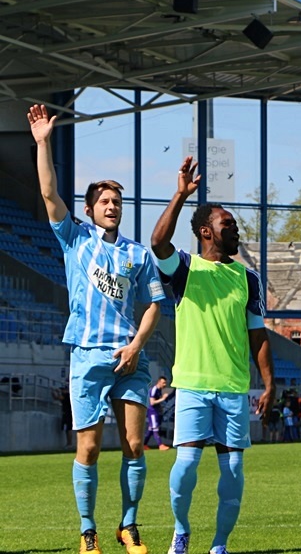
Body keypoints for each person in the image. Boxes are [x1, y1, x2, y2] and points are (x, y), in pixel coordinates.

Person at [28, 104, 164, 554]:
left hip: (131, 360)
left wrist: (136, 346)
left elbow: (154, 306)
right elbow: (49, 195)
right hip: (86, 356)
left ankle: (129, 526)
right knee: (87, 450)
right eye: (105, 202)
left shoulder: (138, 255)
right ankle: (88, 531)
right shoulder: (75, 239)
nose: (112, 207)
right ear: (89, 209)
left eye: (118, 202)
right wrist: (43, 142)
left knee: (133, 445)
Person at [150, 155, 274, 554]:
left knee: (234, 470)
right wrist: (181, 194)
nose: (235, 229)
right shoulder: (184, 269)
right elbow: (157, 242)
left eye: (235, 225)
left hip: (234, 388)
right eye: (228, 224)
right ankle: (181, 530)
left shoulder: (247, 277)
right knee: (185, 467)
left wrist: (268, 383)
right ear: (206, 231)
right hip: (193, 386)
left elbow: (258, 335)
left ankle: (219, 546)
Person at [144, 376, 171, 450]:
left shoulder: (159, 390)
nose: (165, 384)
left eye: (165, 383)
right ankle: (160, 445)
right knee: (155, 428)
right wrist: (163, 398)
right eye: (163, 383)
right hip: (152, 412)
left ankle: (144, 445)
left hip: (156, 411)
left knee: (150, 429)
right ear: (159, 382)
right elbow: (152, 402)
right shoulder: (154, 390)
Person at [52, 380, 74, 449]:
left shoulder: (67, 395)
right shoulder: (68, 395)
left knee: (68, 428)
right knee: (67, 429)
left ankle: (69, 444)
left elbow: (58, 397)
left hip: (68, 413)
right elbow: (57, 398)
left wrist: (55, 391)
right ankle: (68, 443)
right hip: (68, 413)